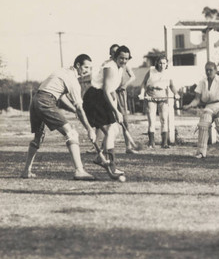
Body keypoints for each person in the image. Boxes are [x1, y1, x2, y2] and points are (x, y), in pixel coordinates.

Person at [21, 54, 96, 180]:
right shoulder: (73, 80)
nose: (88, 71)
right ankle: (79, 171)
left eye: (90, 68)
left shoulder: (62, 71)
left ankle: (26, 171)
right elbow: (79, 107)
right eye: (86, 67)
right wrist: (89, 129)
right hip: (45, 101)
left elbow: (61, 96)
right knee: (71, 133)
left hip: (36, 99)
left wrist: (73, 110)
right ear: (78, 65)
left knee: (38, 137)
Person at [83, 45, 132, 176]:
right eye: (121, 58)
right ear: (116, 57)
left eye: (126, 58)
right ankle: (111, 165)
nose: (124, 61)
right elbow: (105, 90)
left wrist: (116, 106)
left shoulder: (119, 68)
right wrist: (116, 111)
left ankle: (102, 158)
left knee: (112, 130)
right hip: (95, 98)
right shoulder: (110, 67)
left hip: (102, 97)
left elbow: (111, 90)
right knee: (112, 130)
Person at [182, 61, 219, 158]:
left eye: (211, 70)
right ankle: (201, 152)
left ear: (215, 70)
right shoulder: (202, 82)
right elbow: (197, 99)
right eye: (207, 70)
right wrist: (189, 106)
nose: (208, 72)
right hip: (209, 106)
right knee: (204, 122)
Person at [139, 56, 177, 148]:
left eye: (164, 63)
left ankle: (164, 143)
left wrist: (176, 94)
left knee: (164, 119)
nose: (162, 65)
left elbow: (172, 86)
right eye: (160, 63)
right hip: (151, 97)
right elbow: (144, 83)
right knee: (151, 120)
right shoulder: (151, 71)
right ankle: (151, 142)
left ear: (167, 64)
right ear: (157, 63)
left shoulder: (168, 73)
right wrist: (141, 93)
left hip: (163, 98)